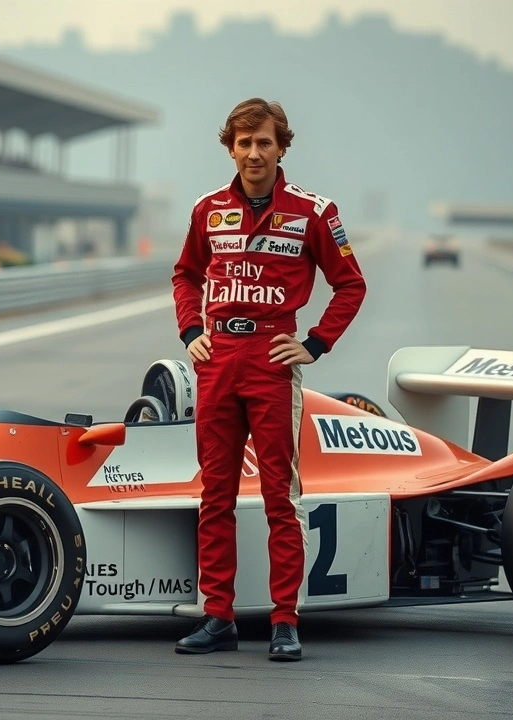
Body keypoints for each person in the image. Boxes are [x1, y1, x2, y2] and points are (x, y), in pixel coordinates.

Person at [170, 98, 367, 662]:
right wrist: (190, 333)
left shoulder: (314, 211)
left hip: (273, 361)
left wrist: (313, 344)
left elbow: (350, 284)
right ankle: (217, 617)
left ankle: (285, 620)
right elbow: (185, 273)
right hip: (218, 358)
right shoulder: (207, 209)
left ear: (282, 147)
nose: (253, 153)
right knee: (215, 495)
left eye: (264, 142)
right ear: (229, 147)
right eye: (243, 142)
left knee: (281, 496)